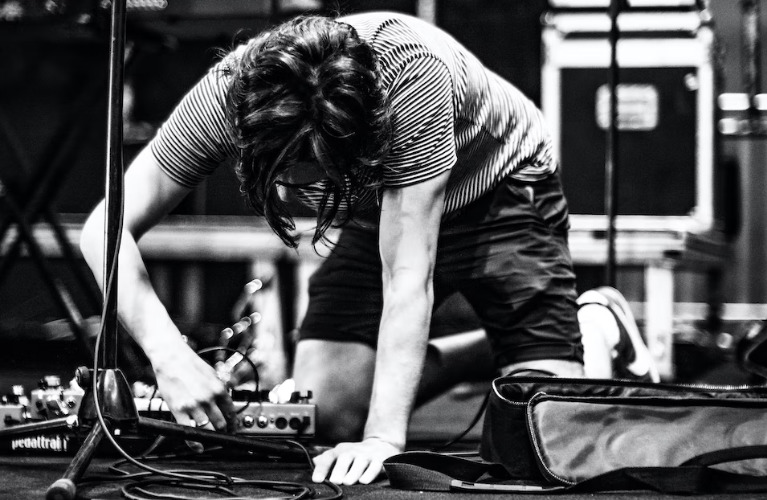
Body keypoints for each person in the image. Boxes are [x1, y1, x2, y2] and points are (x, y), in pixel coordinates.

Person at [80, 11, 656, 487]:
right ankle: (490, 349)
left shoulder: (411, 82)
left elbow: (409, 277)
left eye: (312, 172)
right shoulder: (232, 95)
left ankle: (591, 324)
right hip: (380, 199)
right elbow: (105, 226)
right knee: (329, 411)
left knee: (544, 427)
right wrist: (167, 352)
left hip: (502, 191)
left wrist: (384, 440)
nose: (297, 190)